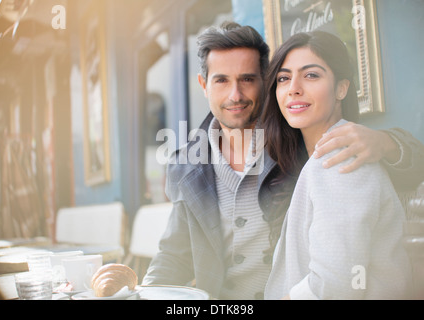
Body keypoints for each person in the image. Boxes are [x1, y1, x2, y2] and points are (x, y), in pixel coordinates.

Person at [142, 22, 424, 300]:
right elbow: (174, 255)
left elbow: (335, 283)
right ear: (204, 85)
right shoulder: (188, 166)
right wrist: (142, 293)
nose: (235, 95)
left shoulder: (303, 142)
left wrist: (387, 143)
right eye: (221, 80)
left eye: (248, 79)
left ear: (264, 82)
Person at [262, 31, 413, 300]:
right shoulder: (312, 160)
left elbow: (333, 285)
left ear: (342, 88)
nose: (293, 87)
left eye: (311, 75)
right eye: (283, 78)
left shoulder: (338, 158)